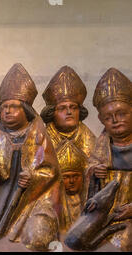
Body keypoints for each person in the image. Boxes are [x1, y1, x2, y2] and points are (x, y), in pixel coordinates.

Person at [0, 63, 60, 251]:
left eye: (14, 107)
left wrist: (33, 177)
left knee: (38, 238)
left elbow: (50, 170)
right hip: (2, 200)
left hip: (35, 201)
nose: (7, 111)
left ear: (26, 110)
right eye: (4, 107)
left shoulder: (37, 134)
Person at [40, 66, 96, 232]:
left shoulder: (87, 135)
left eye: (73, 107)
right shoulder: (42, 136)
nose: (69, 112)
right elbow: (35, 167)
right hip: (51, 199)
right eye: (62, 108)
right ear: (52, 113)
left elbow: (96, 163)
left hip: (80, 197)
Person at [86, 68, 132, 251]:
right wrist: (94, 172)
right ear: (100, 119)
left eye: (121, 114)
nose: (115, 120)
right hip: (107, 215)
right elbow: (89, 172)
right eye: (108, 117)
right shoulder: (101, 144)